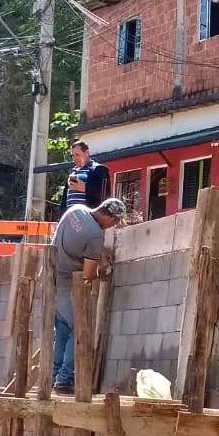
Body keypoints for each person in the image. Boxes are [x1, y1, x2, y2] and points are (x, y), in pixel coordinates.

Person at [51, 197, 125, 394]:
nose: (111, 227)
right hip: (67, 284)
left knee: (63, 330)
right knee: (80, 329)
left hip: (51, 276)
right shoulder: (95, 236)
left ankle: (52, 376)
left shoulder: (76, 210)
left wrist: (98, 252)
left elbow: (75, 241)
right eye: (114, 223)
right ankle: (64, 379)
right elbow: (88, 275)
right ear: (112, 219)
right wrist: (103, 272)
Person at [66, 141, 112, 211]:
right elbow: (65, 200)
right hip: (70, 215)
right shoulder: (72, 173)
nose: (74, 158)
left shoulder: (98, 169)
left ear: (86, 153)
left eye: (77, 155)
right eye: (73, 155)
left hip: (89, 214)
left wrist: (85, 188)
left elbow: (105, 195)